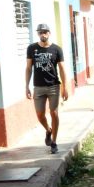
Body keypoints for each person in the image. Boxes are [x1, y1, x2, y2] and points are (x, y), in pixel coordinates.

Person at [25, 23, 69, 154]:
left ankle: (54, 142)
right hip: (38, 87)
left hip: (53, 86)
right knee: (39, 115)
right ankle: (48, 130)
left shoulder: (57, 49)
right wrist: (26, 86)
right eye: (40, 32)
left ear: (49, 33)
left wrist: (64, 87)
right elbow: (28, 68)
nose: (42, 34)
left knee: (54, 113)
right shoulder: (31, 48)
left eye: (45, 32)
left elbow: (62, 69)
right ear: (38, 34)